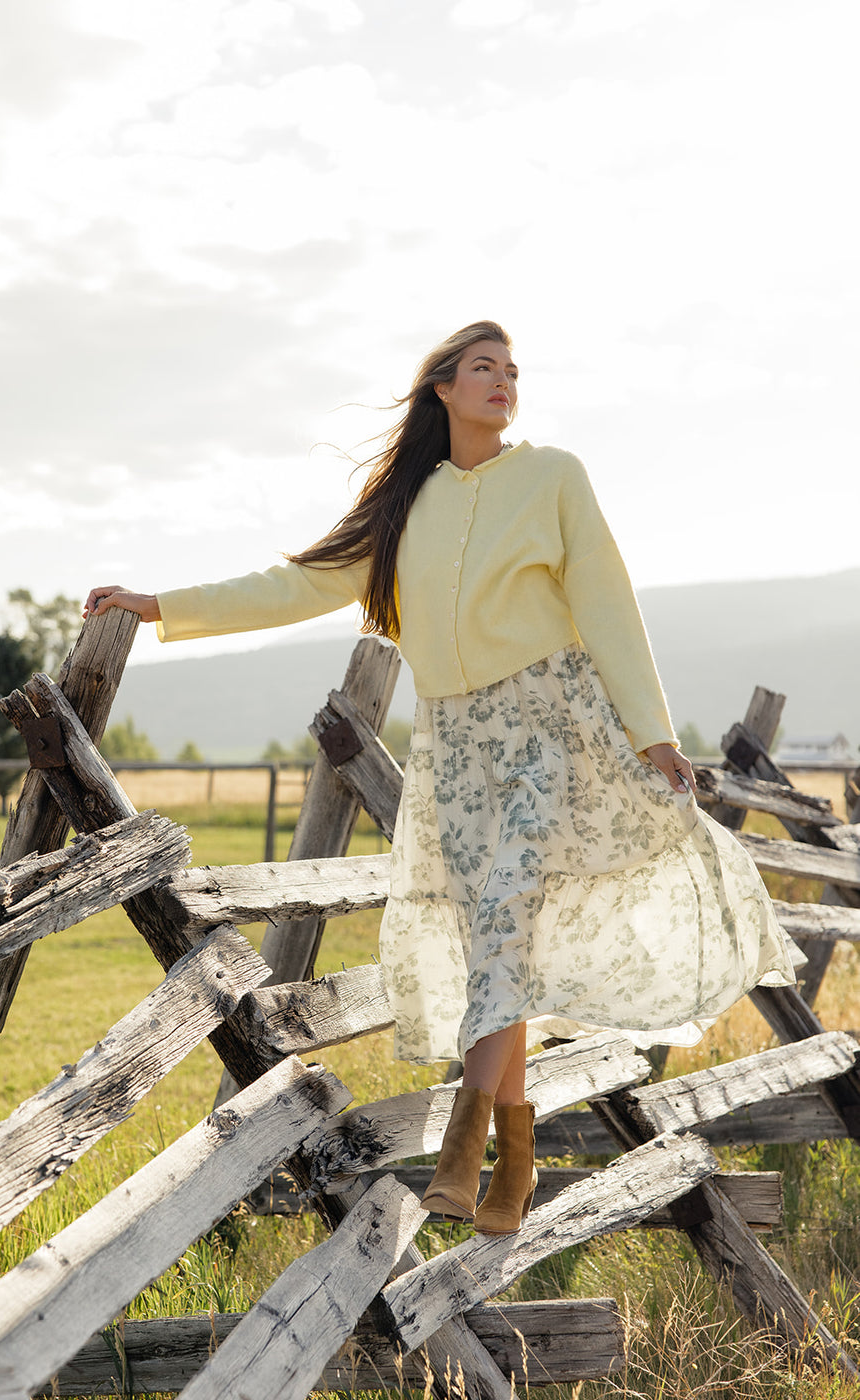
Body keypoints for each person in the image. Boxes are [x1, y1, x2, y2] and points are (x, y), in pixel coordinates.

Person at [85, 320, 799, 1236]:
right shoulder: (404, 506)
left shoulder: (553, 477)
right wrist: (161, 605)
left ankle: (466, 1142)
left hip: (553, 729)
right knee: (490, 942)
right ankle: (519, 1146)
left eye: (512, 370)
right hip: (456, 749)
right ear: (443, 391)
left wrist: (653, 733)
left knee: (503, 920)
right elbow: (294, 583)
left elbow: (608, 603)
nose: (503, 381)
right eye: (483, 369)